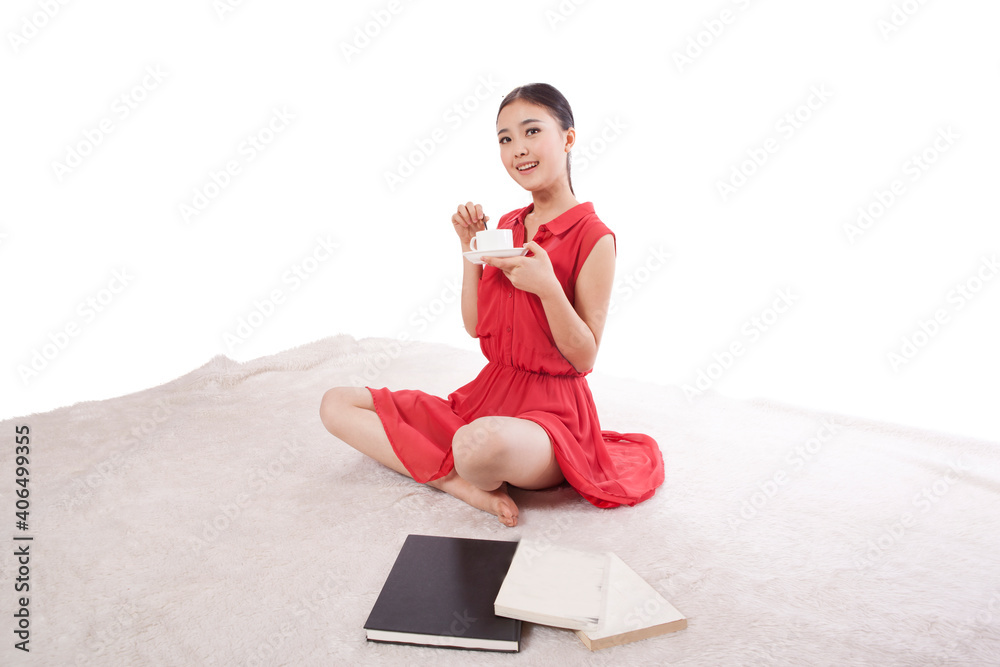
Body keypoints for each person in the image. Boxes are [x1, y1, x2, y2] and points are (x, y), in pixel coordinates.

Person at [320, 83, 664, 527]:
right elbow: (475, 325)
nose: (518, 149)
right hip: (489, 395)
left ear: (568, 139)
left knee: (476, 446)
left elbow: (585, 355)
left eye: (531, 131)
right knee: (336, 403)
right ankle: (455, 483)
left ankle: (456, 466)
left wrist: (548, 288)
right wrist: (470, 252)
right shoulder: (507, 226)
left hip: (552, 418)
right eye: (505, 139)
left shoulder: (594, 237)